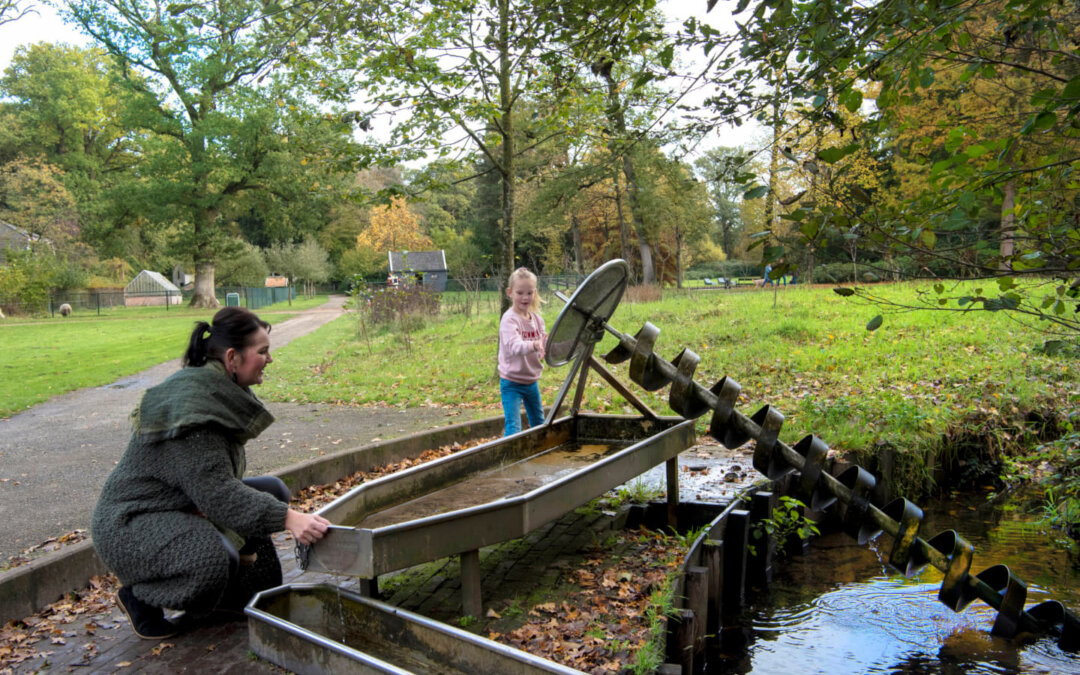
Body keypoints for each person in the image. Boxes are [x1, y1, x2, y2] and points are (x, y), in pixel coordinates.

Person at [91, 307, 330, 640]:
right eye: (262, 351)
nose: (270, 359)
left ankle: (231, 597)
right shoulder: (195, 411)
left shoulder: (217, 389)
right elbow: (219, 495)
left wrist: (279, 513)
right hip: (130, 522)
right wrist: (290, 519)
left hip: (177, 504)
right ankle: (138, 597)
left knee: (272, 491)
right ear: (232, 358)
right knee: (213, 559)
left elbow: (216, 486)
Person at [498, 267, 547, 436]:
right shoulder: (509, 320)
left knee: (539, 423)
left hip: (531, 381)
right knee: (514, 428)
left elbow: (543, 344)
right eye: (520, 293)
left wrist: (545, 348)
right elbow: (514, 346)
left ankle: (539, 450)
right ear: (510, 292)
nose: (525, 297)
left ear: (535, 293)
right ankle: (510, 452)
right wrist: (534, 345)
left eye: (529, 293)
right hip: (511, 382)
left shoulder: (538, 320)